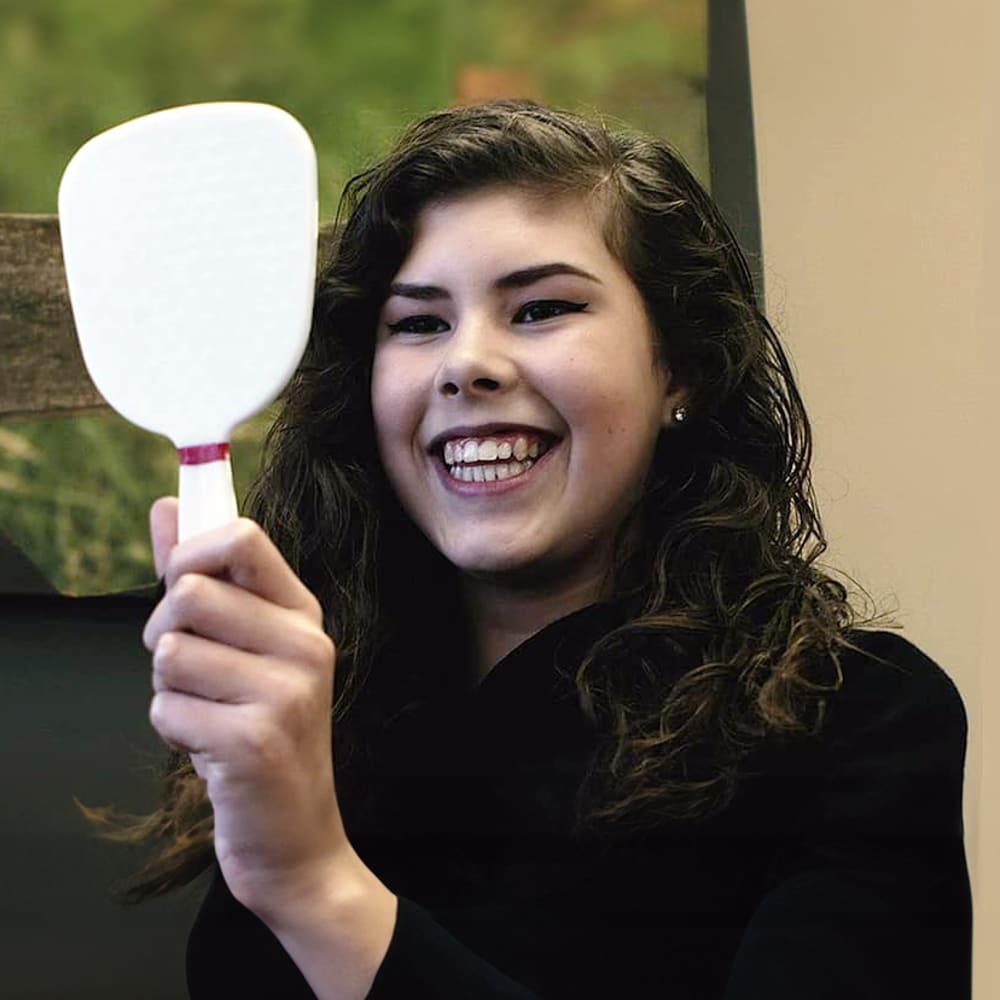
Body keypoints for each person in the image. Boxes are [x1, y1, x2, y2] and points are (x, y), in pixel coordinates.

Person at [95, 99, 972, 998]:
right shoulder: (334, 716)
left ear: (682, 368)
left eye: (542, 307)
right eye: (418, 323)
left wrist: (317, 885)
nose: (465, 362)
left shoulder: (854, 719)